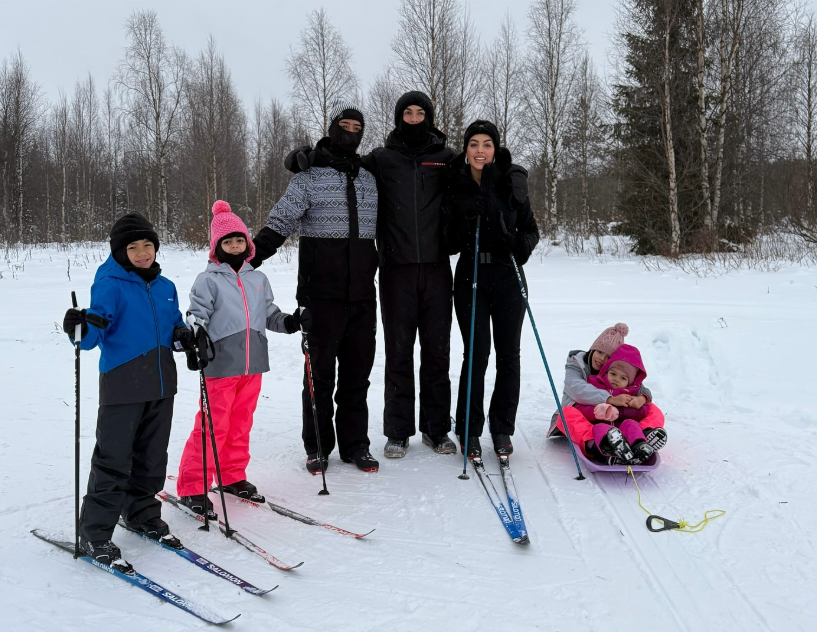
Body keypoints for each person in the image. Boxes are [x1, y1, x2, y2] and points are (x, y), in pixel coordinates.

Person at [273, 91, 457, 459]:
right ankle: (398, 432)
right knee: (399, 353)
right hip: (394, 270)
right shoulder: (381, 160)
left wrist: (510, 168)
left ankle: (437, 430)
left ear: (431, 116)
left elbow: (480, 168)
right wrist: (305, 156)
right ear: (398, 116)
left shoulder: (446, 158)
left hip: (437, 268)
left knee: (437, 353)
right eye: (408, 111)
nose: (415, 116)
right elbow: (341, 160)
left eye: (422, 111)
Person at [250, 101, 381, 473]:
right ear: (332, 127)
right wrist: (249, 258)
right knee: (318, 377)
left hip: (362, 296)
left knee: (357, 377)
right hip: (320, 295)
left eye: (357, 126)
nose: (351, 131)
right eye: (345, 124)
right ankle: (318, 446)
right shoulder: (307, 177)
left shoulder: (369, 179)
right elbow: (281, 221)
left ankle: (356, 444)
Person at [62, 212, 192, 571]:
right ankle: (95, 532)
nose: (141, 252)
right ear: (120, 252)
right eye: (132, 247)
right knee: (113, 458)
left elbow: (174, 324)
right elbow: (92, 336)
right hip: (123, 384)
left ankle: (141, 514)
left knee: (152, 457)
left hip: (163, 383)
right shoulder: (110, 283)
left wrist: (183, 336)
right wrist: (79, 327)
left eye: (147, 245)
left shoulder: (165, 287)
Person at [176, 201, 310, 518]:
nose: (235, 246)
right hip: (220, 365)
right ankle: (192, 486)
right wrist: (193, 336)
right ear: (217, 246)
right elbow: (197, 316)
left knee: (240, 425)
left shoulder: (257, 279)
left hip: (253, 365)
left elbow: (269, 314)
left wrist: (290, 322)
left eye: (239, 240)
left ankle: (231, 475)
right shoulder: (207, 280)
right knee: (212, 427)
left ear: (248, 243)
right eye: (228, 241)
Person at [443, 120, 540, 459]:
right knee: (477, 354)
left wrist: (513, 242)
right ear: (466, 149)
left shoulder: (510, 181)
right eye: (473, 144)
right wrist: (460, 228)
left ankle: (502, 429)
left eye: (487, 144)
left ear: (494, 149)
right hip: (471, 274)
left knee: (508, 355)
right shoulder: (454, 183)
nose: (480, 150)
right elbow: (447, 240)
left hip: (507, 275)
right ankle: (468, 429)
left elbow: (531, 232)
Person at [547, 323, 668, 463]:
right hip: (585, 417)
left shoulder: (614, 371)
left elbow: (638, 386)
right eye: (599, 352)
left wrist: (642, 398)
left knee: (653, 409)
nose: (601, 359)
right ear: (593, 349)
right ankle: (596, 444)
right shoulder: (576, 364)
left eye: (607, 357)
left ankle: (642, 439)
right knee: (566, 413)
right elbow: (576, 389)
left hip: (618, 423)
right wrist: (610, 399)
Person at [572, 344, 656, 464]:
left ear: (630, 381)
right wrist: (596, 412)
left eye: (623, 378)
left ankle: (639, 446)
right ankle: (611, 452)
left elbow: (645, 408)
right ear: (606, 371)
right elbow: (580, 404)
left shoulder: (632, 392)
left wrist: (636, 403)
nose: (616, 379)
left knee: (631, 424)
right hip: (600, 426)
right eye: (613, 374)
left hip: (623, 428)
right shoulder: (594, 385)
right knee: (600, 428)